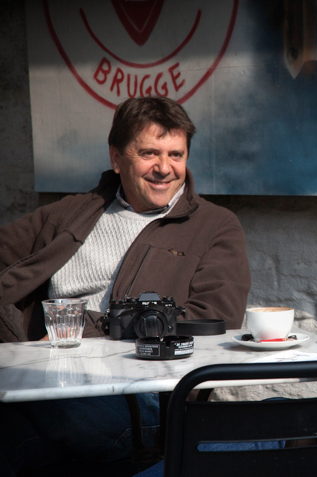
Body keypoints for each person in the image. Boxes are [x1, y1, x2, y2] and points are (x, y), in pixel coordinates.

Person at [0, 97, 251, 475]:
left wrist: (88, 330)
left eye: (176, 155)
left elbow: (214, 321)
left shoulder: (215, 226)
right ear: (116, 158)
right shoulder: (72, 212)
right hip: (45, 377)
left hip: (144, 395)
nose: (164, 168)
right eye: (149, 153)